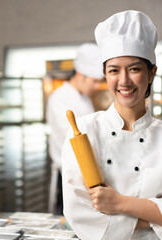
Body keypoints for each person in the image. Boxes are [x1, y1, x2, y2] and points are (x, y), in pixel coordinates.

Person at [62, 10, 162, 240]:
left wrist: (120, 203)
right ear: (104, 74)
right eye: (114, 70)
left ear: (151, 73)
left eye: (134, 69)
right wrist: (157, 217)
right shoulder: (83, 132)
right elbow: (78, 213)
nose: (124, 81)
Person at [46, 43, 104, 215]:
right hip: (68, 175)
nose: (96, 87)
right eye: (94, 81)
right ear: (80, 75)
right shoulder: (60, 98)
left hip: (87, 174)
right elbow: (73, 139)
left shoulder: (84, 98)